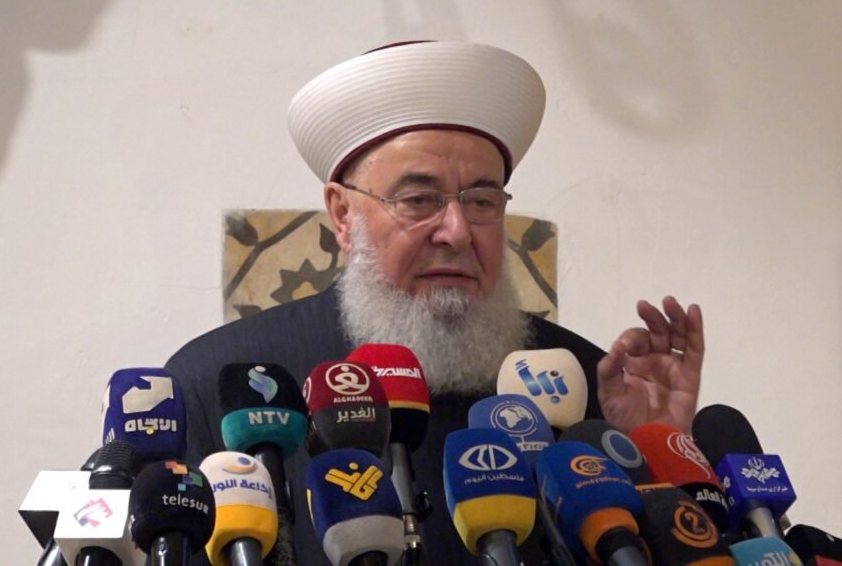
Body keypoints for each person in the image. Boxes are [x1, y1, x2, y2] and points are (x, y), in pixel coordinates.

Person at [166, 41, 704, 565]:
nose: (458, 231)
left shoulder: (586, 385)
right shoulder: (214, 384)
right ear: (343, 215)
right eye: (419, 200)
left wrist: (657, 451)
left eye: (482, 201)